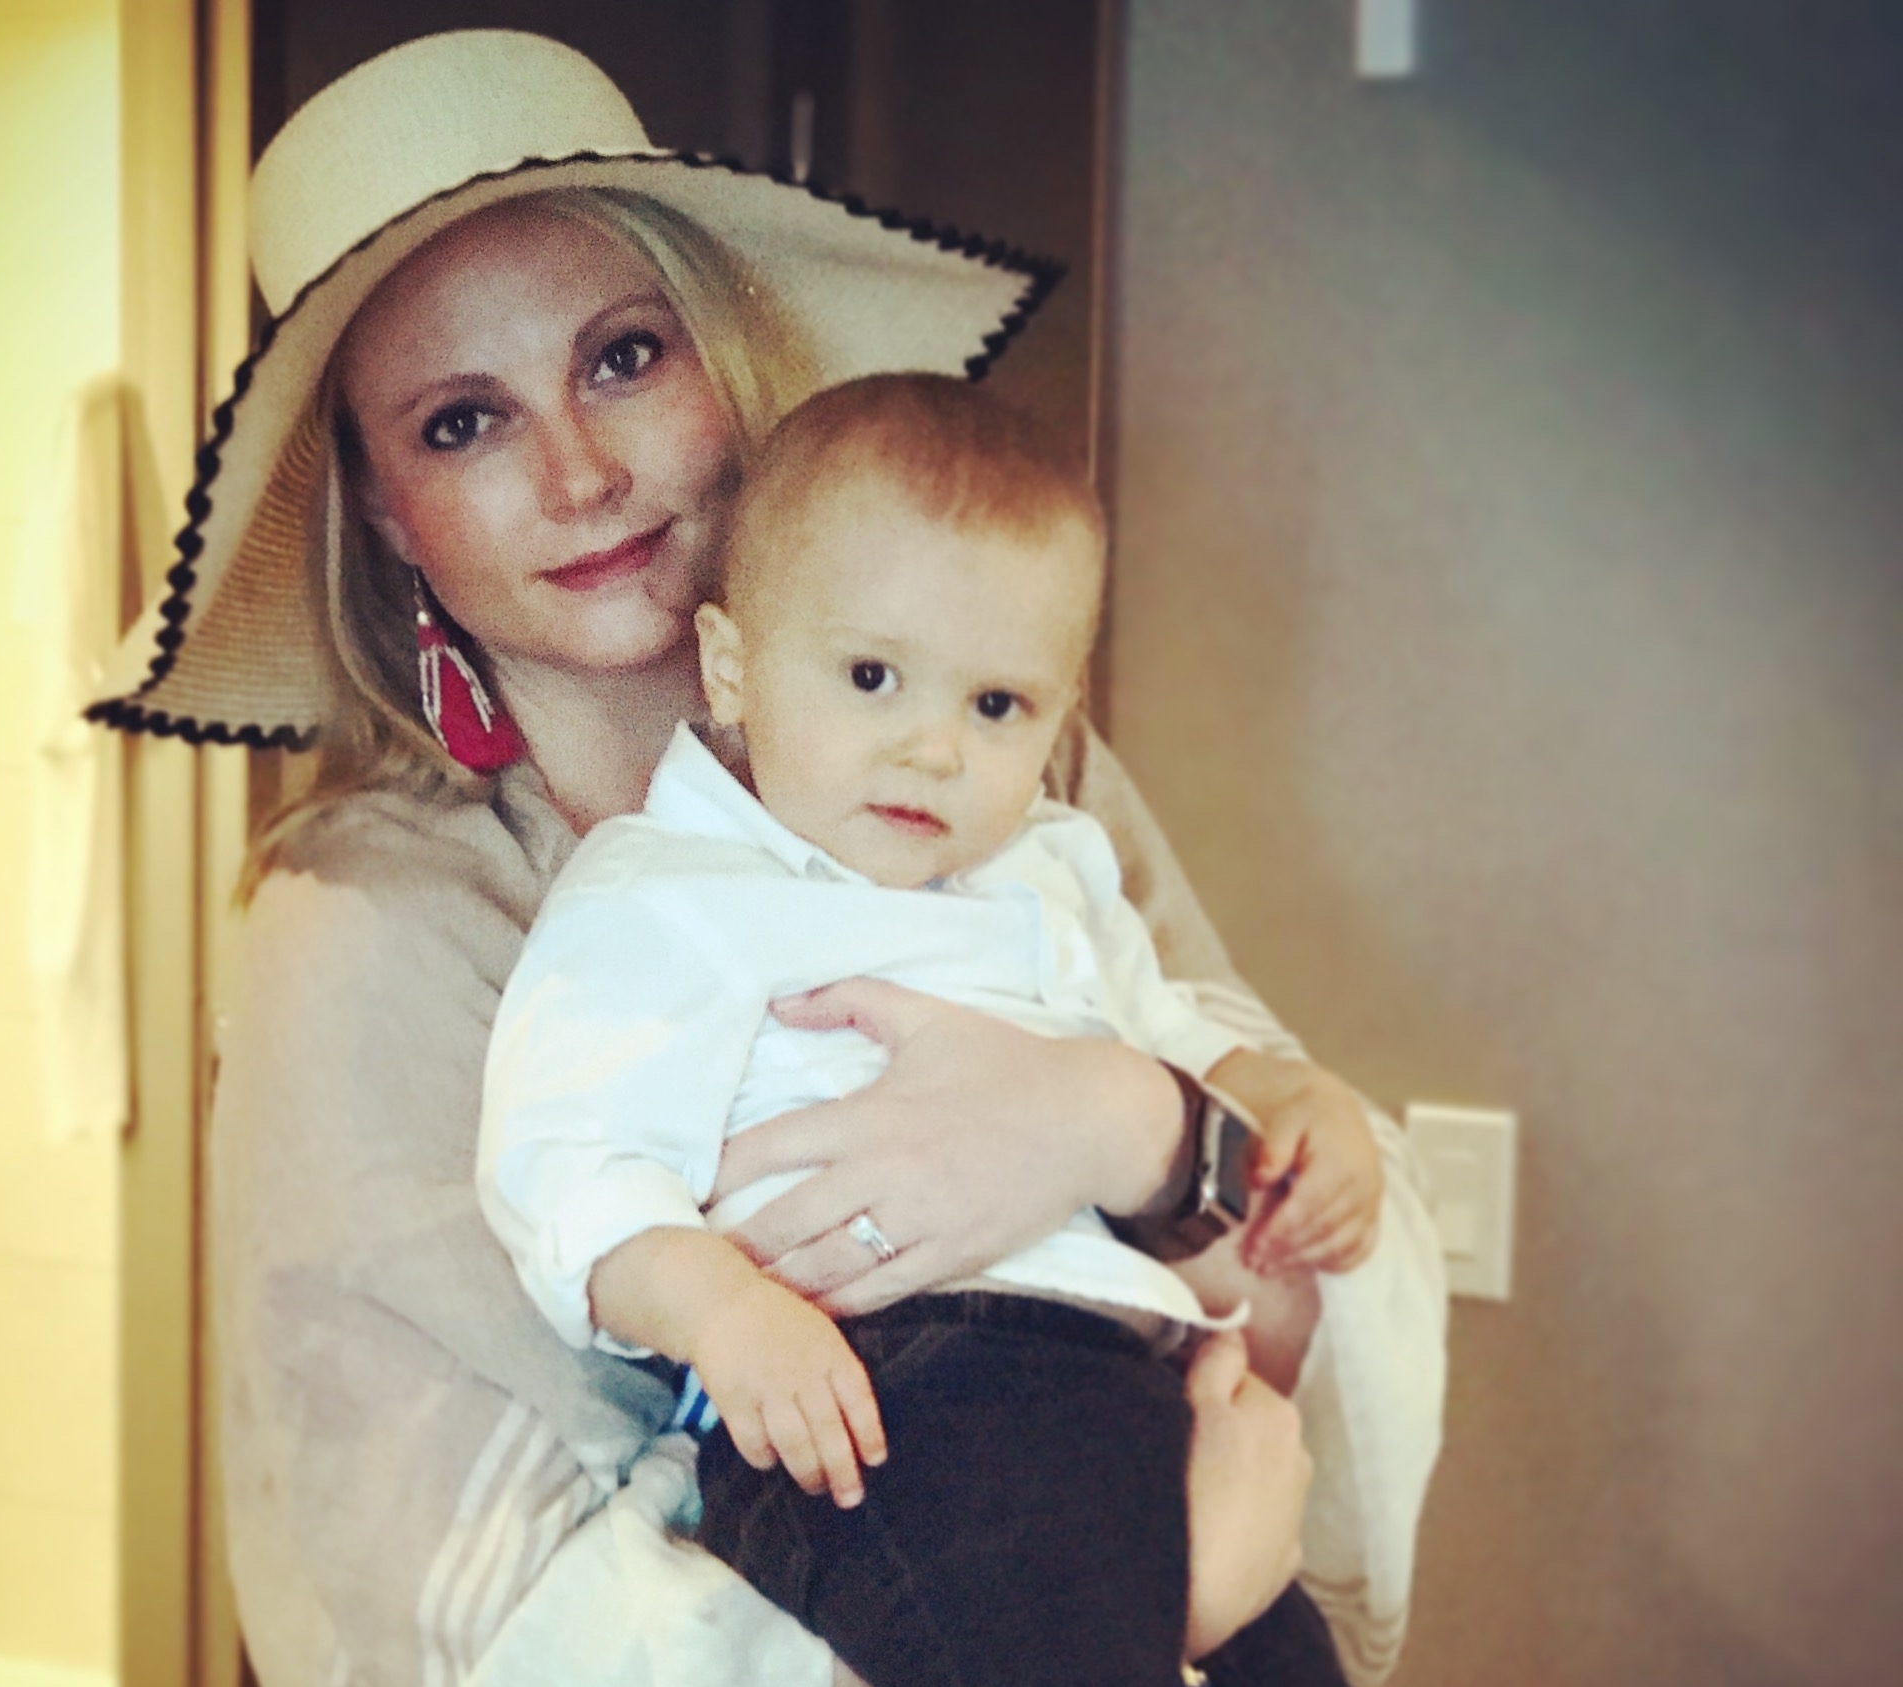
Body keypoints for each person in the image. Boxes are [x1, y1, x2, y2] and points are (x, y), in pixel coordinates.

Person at [86, 29, 1447, 1687]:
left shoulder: (1002, 768)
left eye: (621, 357)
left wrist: (1128, 1121)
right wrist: (1168, 1610)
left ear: (720, 360)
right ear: (381, 508)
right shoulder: (368, 929)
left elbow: (1317, 1264)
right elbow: (462, 1600)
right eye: (462, 422)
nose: (580, 473)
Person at [478, 373, 1387, 1686]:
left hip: (1132, 1374)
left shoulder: (1056, 871)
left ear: (1057, 718)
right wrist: (724, 1313)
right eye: (871, 677)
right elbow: (564, 1166)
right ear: (732, 666)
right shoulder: (664, 892)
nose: (933, 750)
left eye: (995, 706)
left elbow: (1176, 1049)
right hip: (887, 1389)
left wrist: (1297, 1108)